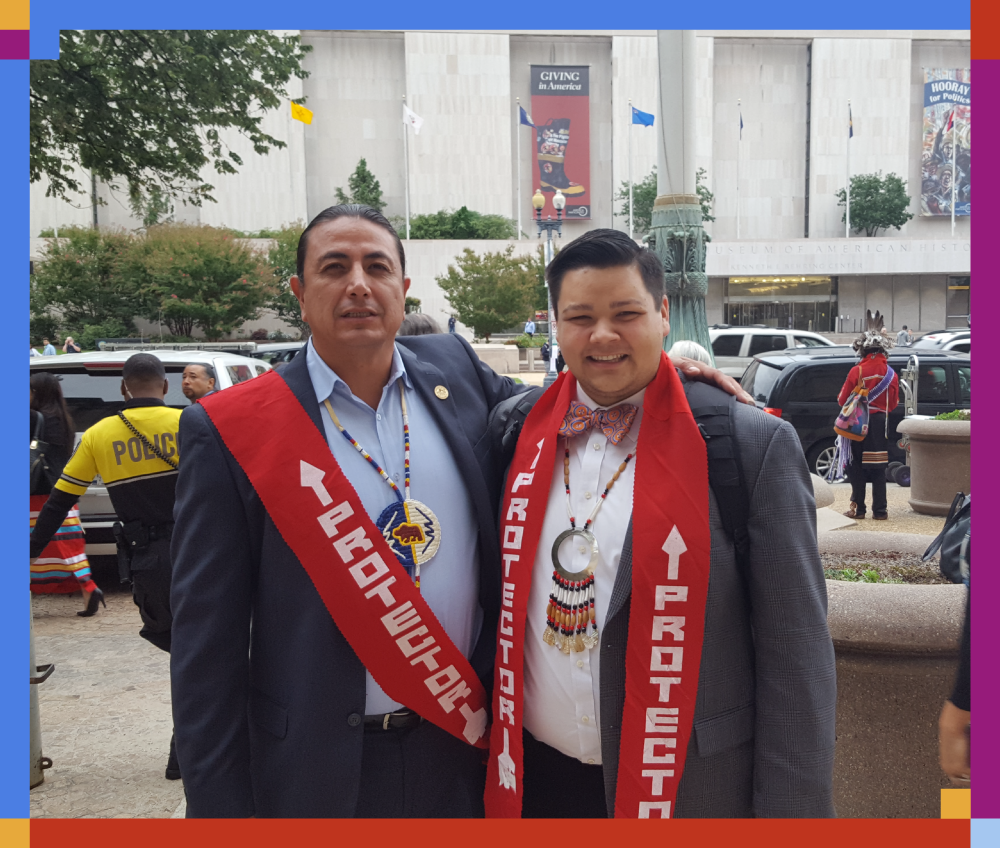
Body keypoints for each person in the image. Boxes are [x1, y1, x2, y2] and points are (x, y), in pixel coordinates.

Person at [170, 206, 744, 819]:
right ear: (299, 294)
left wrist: (666, 373)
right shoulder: (233, 430)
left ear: (403, 287)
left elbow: (576, 398)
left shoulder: (457, 372)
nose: (358, 284)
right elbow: (206, 653)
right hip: (317, 767)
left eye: (376, 267)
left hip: (463, 751)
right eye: (334, 268)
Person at [484, 229, 836, 819]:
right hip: (534, 781)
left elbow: (796, 657)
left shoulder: (748, 444)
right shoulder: (515, 429)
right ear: (556, 326)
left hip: (688, 789)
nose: (602, 335)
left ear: (664, 314)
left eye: (626, 314)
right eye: (580, 317)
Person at [30, 352, 183, 779]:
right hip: (205, 552)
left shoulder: (100, 434)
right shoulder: (190, 424)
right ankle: (201, 745)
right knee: (213, 648)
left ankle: (185, 747)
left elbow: (60, 500)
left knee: (179, 648)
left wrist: (30, 551)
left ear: (123, 388)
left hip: (150, 561)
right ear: (165, 386)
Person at [30, 373, 100, 615]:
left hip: (35, 493)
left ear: (37, 393)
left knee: (32, 546)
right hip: (62, 491)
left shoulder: (34, 418)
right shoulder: (63, 419)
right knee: (68, 547)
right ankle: (89, 588)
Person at [838, 311, 899, 521]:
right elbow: (894, 404)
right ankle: (880, 511)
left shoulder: (857, 371)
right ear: (883, 350)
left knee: (856, 466)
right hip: (879, 423)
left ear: (863, 349)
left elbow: (842, 400)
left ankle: (859, 509)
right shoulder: (891, 374)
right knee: (878, 467)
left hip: (857, 422)